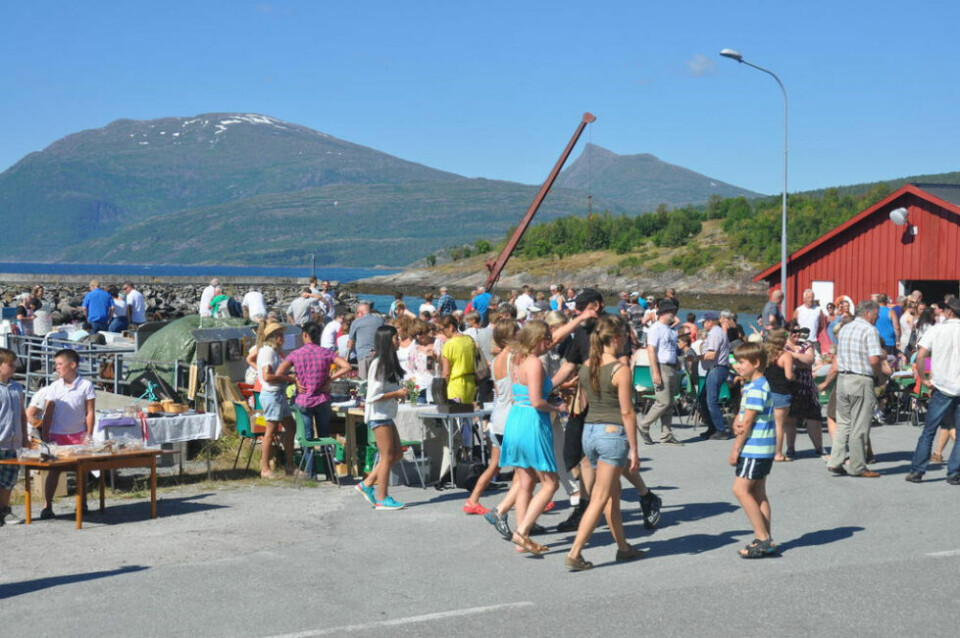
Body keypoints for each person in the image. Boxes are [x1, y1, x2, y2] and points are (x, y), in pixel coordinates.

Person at [564, 315, 644, 570]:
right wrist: (634, 449)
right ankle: (575, 553)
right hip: (611, 433)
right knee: (600, 497)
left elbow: (587, 400)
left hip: (590, 431)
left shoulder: (588, 365)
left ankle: (623, 547)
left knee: (612, 495)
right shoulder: (620, 370)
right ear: (615, 338)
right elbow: (627, 412)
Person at [498, 320, 562, 555]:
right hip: (532, 422)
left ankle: (520, 538)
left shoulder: (517, 359)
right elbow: (537, 401)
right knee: (550, 483)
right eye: (547, 339)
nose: (549, 343)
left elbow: (519, 396)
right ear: (537, 339)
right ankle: (522, 533)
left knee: (525, 481)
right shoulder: (534, 363)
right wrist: (558, 408)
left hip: (516, 419)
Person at [827, 300, 890, 478]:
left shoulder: (845, 328)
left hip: (843, 378)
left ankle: (835, 460)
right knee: (860, 425)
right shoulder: (869, 330)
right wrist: (879, 377)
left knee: (844, 423)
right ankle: (857, 466)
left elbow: (838, 356)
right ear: (868, 313)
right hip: (860, 379)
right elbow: (874, 360)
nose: (877, 318)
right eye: (876, 314)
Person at [728, 342, 779, 558]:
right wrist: (734, 424)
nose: (737, 366)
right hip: (764, 447)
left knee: (740, 489)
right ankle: (767, 537)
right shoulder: (753, 386)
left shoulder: (757, 388)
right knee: (758, 493)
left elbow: (747, 422)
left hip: (754, 447)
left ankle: (761, 537)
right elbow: (742, 417)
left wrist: (735, 449)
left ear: (756, 363)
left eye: (741, 363)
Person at [467, 319, 520, 517]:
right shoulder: (514, 358)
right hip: (511, 419)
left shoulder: (496, 359)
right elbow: (517, 390)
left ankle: (473, 499)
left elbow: (498, 389)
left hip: (498, 417)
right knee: (523, 469)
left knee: (495, 464)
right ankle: (520, 505)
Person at [905, 296, 960, 484]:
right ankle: (954, 473)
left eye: (944, 310)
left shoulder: (936, 330)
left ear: (950, 312)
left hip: (941, 384)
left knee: (929, 431)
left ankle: (918, 471)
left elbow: (921, 356)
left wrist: (925, 378)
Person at [39, 349, 96, 519]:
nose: (57, 368)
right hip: (58, 435)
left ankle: (82, 503)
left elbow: (90, 412)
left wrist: (89, 434)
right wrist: (45, 436)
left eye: (60, 364)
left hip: (78, 434)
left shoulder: (86, 385)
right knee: (54, 471)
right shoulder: (54, 387)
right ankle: (47, 505)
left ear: (73, 365)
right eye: (56, 364)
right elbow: (48, 413)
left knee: (81, 470)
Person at [355, 326, 407, 510]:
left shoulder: (389, 362)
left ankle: (367, 483)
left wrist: (398, 393)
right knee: (386, 457)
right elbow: (373, 396)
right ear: (387, 340)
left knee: (397, 453)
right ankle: (382, 497)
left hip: (386, 414)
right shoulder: (380, 363)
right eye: (395, 338)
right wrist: (396, 393)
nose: (399, 341)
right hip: (379, 415)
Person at [276, 321, 351, 441]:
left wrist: (294, 380)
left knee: (307, 439)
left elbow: (279, 373)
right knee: (324, 437)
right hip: (322, 399)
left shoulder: (295, 354)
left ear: (305, 334)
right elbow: (347, 366)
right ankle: (326, 458)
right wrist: (330, 380)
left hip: (304, 399)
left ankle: (309, 459)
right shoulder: (326, 353)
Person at [638, 299, 683, 445]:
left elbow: (670, 349)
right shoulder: (656, 328)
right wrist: (655, 372)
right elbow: (651, 350)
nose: (674, 316)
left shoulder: (669, 330)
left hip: (670, 366)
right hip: (660, 366)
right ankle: (644, 424)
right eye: (673, 312)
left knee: (669, 402)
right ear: (665, 312)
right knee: (663, 401)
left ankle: (666, 434)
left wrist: (676, 361)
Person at [256, 322, 297, 479]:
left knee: (291, 427)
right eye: (280, 335)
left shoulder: (272, 352)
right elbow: (267, 376)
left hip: (277, 394)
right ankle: (265, 468)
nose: (283, 338)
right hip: (272, 394)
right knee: (270, 431)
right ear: (273, 338)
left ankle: (289, 466)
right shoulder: (267, 352)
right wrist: (289, 378)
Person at [0, 348, 28, 526]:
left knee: (8, 480)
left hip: (13, 443)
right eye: (10, 365)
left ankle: (4, 510)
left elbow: (23, 415)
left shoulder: (17, 387)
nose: (14, 368)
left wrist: (25, 437)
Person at [763, 329, 795, 462]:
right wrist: (794, 375)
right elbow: (788, 376)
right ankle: (778, 453)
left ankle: (766, 450)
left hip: (767, 391)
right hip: (781, 391)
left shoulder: (765, 354)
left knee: (767, 423)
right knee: (779, 425)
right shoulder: (785, 356)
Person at [699, 311, 732, 439]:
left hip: (716, 368)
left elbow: (711, 354)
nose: (702, 324)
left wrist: (696, 358)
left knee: (710, 400)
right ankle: (713, 427)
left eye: (704, 322)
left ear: (710, 322)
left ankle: (720, 429)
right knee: (704, 398)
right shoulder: (717, 333)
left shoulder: (714, 334)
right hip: (716, 368)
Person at [439, 314, 477, 404]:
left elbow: (446, 373)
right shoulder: (469, 340)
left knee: (455, 416)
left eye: (443, 329)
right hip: (471, 383)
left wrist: (441, 390)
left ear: (451, 327)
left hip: (456, 385)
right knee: (467, 415)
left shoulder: (449, 344)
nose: (442, 332)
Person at [348, 303, 384, 378]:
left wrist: (347, 357)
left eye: (357, 312)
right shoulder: (380, 320)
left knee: (363, 382)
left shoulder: (356, 322)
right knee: (377, 381)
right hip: (378, 354)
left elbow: (350, 343)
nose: (356, 315)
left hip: (363, 355)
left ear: (360, 312)